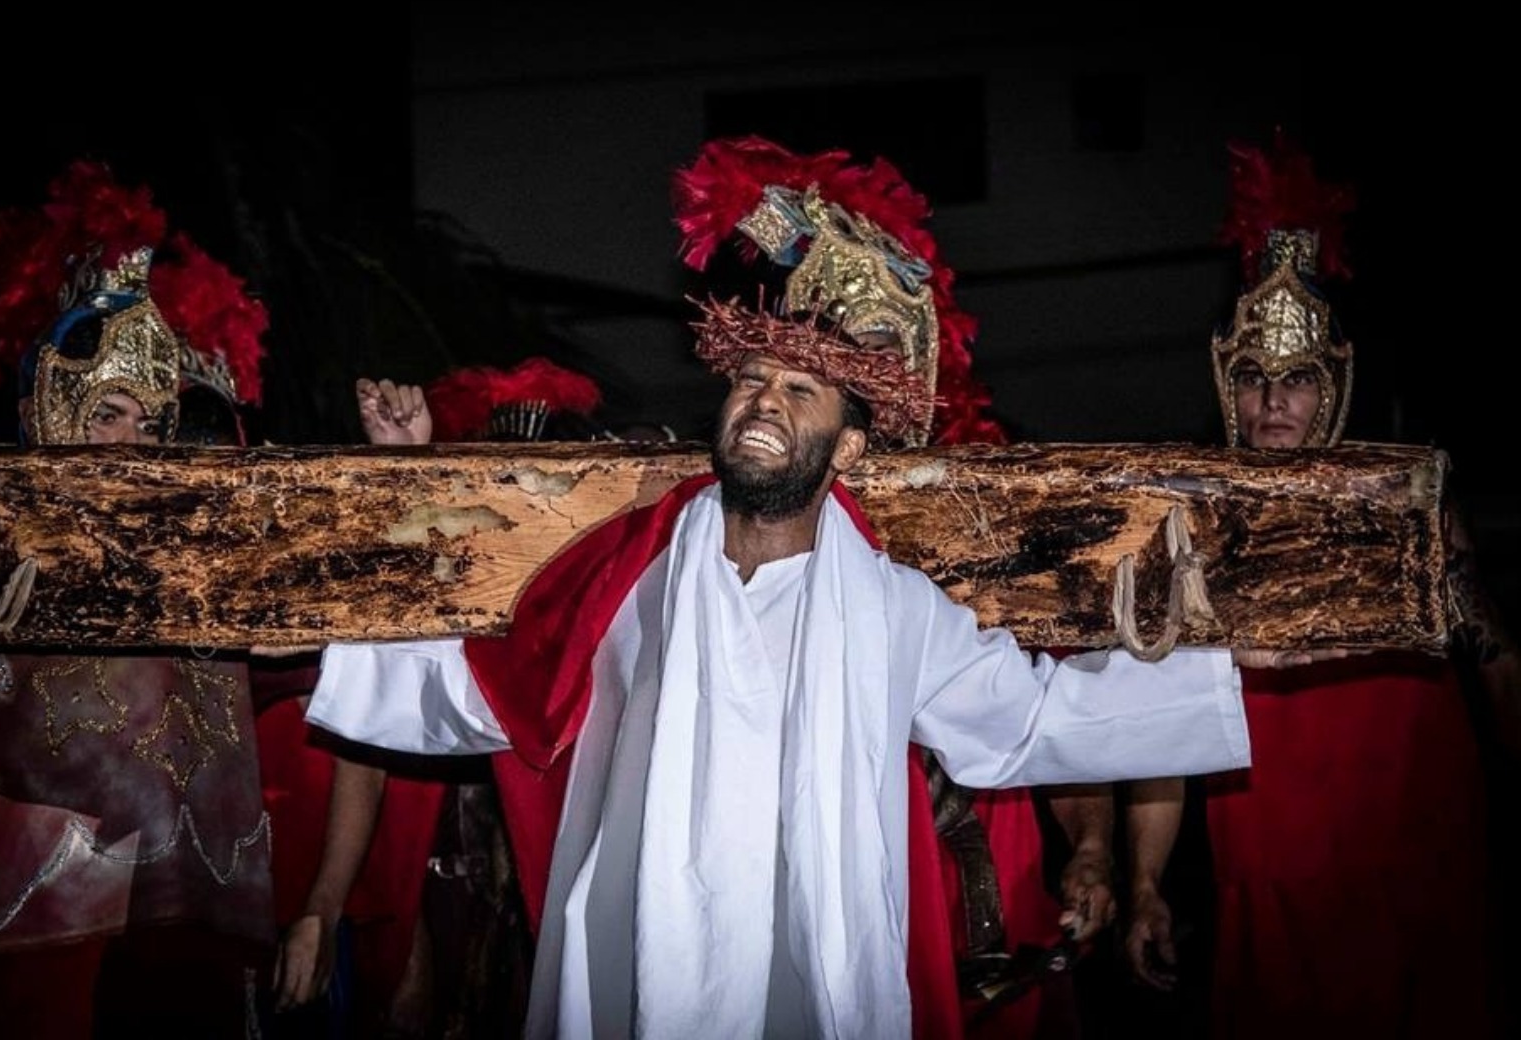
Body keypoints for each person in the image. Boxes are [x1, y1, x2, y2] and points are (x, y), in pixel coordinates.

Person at [303, 145, 1324, 1040]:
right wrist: (325, 601)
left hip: (815, 967)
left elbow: (1029, 724)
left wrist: (1214, 663)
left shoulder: (892, 606)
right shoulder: (628, 572)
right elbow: (485, 690)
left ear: (846, 443)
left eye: (799, 391)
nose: (761, 400)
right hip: (645, 954)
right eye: (748, 379)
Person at [670, 134, 1116, 1039]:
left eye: (855, 364)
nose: (808, 386)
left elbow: (1039, 706)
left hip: (949, 844)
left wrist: (1097, 851)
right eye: (774, 377)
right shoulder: (703, 539)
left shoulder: (976, 525)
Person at [1115, 131, 1515, 1038]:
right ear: (1227, 383)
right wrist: (1141, 886)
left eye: (1296, 379)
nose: (1273, 403)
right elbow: (1161, 732)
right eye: (1254, 377)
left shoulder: (1415, 513)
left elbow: (1497, 661)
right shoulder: (1191, 532)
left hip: (1422, 863)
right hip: (1269, 877)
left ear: (1334, 383)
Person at [0, 159, 276, 1039]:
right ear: (53, 407)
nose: (134, 441)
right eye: (111, 410)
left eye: (154, 423)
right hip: (51, 922)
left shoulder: (197, 548)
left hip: (191, 919)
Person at [272, 357, 602, 1038]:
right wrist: (325, 907)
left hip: (553, 910)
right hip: (430, 897)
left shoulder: (601, 613)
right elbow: (370, 726)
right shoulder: (448, 594)